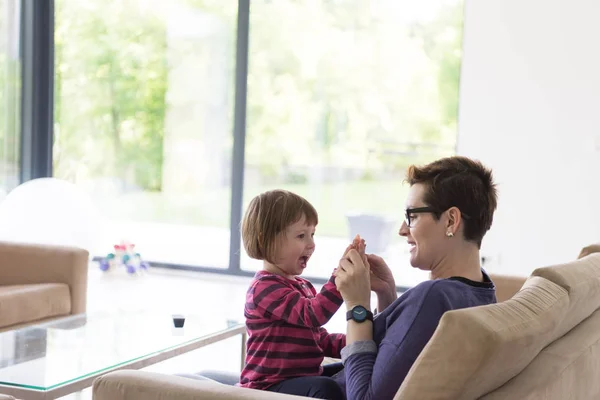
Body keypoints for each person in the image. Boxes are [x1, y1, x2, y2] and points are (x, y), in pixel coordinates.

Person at [331, 156, 499, 400]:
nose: (402, 229)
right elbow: (398, 367)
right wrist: (387, 296)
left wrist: (357, 308)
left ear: (451, 220)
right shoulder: (483, 293)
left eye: (413, 215)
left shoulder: (433, 298)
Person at [239, 189, 365, 399]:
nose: (311, 244)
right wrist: (340, 278)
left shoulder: (302, 285)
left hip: (301, 378)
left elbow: (318, 338)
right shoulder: (263, 288)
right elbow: (313, 314)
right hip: (268, 386)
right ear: (266, 239)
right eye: (301, 235)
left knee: (351, 369)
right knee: (326, 389)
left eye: (312, 234)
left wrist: (359, 341)